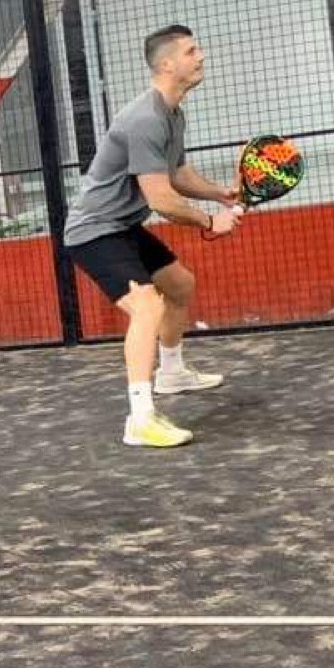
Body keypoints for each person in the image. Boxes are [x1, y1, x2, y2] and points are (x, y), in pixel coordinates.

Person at [62, 24, 239, 448]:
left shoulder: (172, 114)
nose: (201, 56)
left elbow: (177, 174)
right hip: (93, 232)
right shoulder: (145, 119)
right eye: (191, 51)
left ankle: (172, 373)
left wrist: (221, 193)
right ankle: (140, 419)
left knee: (180, 285)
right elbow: (161, 199)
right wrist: (209, 221)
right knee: (147, 306)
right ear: (167, 64)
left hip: (122, 226)